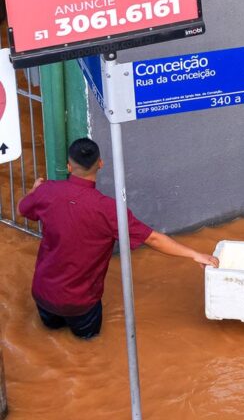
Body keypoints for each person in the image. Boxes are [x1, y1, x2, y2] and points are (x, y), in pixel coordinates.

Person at [17, 138, 219, 340]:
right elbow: (154, 239)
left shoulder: (46, 191)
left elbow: (21, 209)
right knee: (88, 346)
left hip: (44, 295)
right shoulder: (109, 210)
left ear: (69, 166)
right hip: (81, 303)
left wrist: (35, 190)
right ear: (100, 164)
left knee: (49, 338)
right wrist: (194, 254)